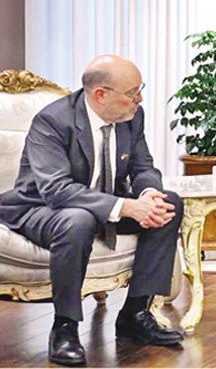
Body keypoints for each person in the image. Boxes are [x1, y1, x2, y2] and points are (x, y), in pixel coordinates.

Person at [0, 55, 184, 366]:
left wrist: (149, 194)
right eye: (132, 92)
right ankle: (65, 327)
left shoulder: (132, 116)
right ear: (101, 94)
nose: (139, 99)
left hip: (101, 206)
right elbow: (56, 191)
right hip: (40, 208)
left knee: (169, 202)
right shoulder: (53, 120)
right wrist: (126, 207)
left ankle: (135, 314)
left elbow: (143, 166)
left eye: (140, 90)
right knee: (77, 219)